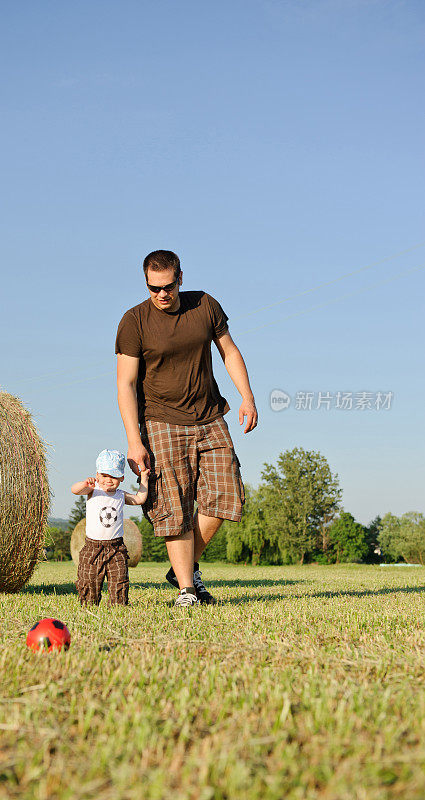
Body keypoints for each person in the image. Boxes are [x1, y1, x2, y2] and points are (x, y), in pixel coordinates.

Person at [115, 250, 258, 607]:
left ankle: (185, 564)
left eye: (167, 286)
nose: (161, 295)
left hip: (209, 415)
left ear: (180, 278)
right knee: (174, 506)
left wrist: (247, 397)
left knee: (227, 495)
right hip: (161, 419)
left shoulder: (204, 305)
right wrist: (135, 440)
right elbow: (125, 384)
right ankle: (187, 590)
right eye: (153, 288)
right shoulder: (134, 322)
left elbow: (229, 351)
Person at [71, 449, 149, 606]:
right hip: (92, 547)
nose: (109, 480)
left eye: (114, 476)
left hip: (116, 547)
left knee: (119, 580)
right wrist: (84, 483)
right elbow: (75, 490)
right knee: (88, 581)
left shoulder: (121, 495)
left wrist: (144, 479)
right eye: (105, 475)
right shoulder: (93, 490)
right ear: (97, 475)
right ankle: (89, 607)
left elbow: (140, 498)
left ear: (121, 477)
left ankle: (118, 606)